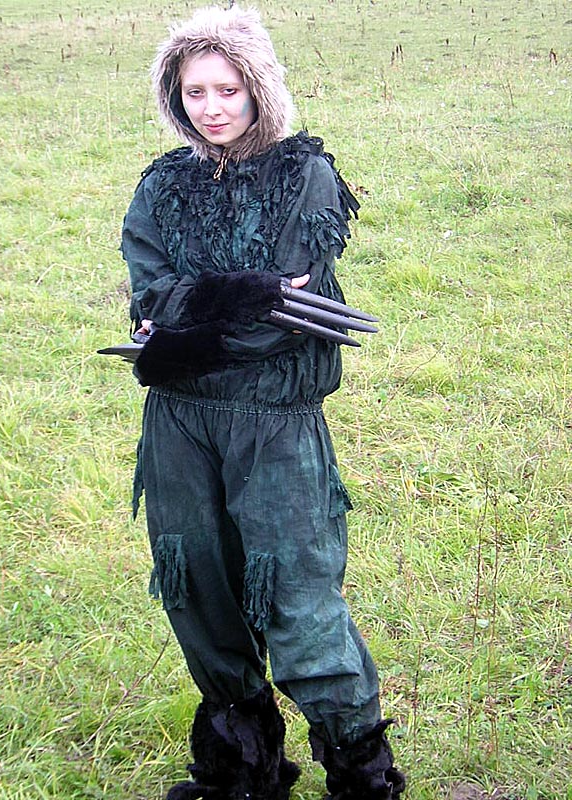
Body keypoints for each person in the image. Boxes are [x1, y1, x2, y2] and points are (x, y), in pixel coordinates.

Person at [120, 5, 406, 799]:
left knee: (295, 599)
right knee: (200, 592)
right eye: (195, 91)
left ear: (258, 89)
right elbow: (148, 295)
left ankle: (361, 776)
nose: (211, 108)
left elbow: (280, 322)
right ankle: (241, 771)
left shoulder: (303, 177)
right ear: (175, 96)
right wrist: (234, 296)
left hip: (273, 425)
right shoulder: (161, 184)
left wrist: (184, 331)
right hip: (180, 423)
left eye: (228, 89)